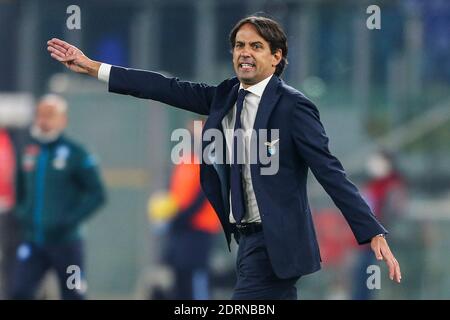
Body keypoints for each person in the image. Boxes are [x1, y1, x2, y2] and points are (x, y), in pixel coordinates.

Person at [47, 15, 401, 300]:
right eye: (239, 45)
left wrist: (370, 230)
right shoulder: (225, 95)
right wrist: (94, 67)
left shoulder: (293, 107)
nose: (244, 53)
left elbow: (329, 171)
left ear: (277, 57)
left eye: (256, 47)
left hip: (275, 243)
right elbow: (161, 87)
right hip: (246, 239)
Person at [10, 94, 106, 299]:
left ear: (63, 120)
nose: (43, 121)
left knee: (73, 293)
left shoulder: (76, 153)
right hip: (33, 241)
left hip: (67, 244)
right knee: (19, 292)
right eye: (40, 115)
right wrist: (23, 213)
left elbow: (97, 194)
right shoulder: (29, 151)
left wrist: (70, 220)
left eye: (50, 115)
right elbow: (19, 190)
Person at [148, 120, 221, 300]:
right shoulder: (184, 161)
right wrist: (166, 217)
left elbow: (202, 196)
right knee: (179, 279)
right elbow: (172, 191)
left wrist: (179, 218)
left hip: (199, 229)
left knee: (197, 278)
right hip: (180, 229)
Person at [352, 150, 407, 299]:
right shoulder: (373, 184)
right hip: (366, 243)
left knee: (373, 283)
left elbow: (393, 213)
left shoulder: (393, 186)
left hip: (381, 245)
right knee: (362, 283)